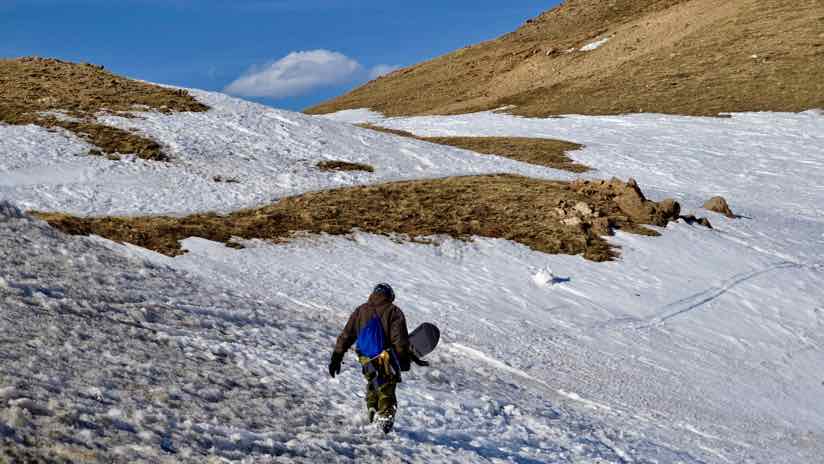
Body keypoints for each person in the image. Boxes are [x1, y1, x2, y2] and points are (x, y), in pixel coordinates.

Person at [328, 283, 429, 433]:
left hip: (365, 356)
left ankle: (372, 411)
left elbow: (347, 335)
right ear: (390, 296)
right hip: (385, 356)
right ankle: (383, 423)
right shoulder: (393, 311)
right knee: (387, 387)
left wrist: (336, 357)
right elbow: (399, 340)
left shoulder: (361, 310)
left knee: (374, 382)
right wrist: (403, 359)